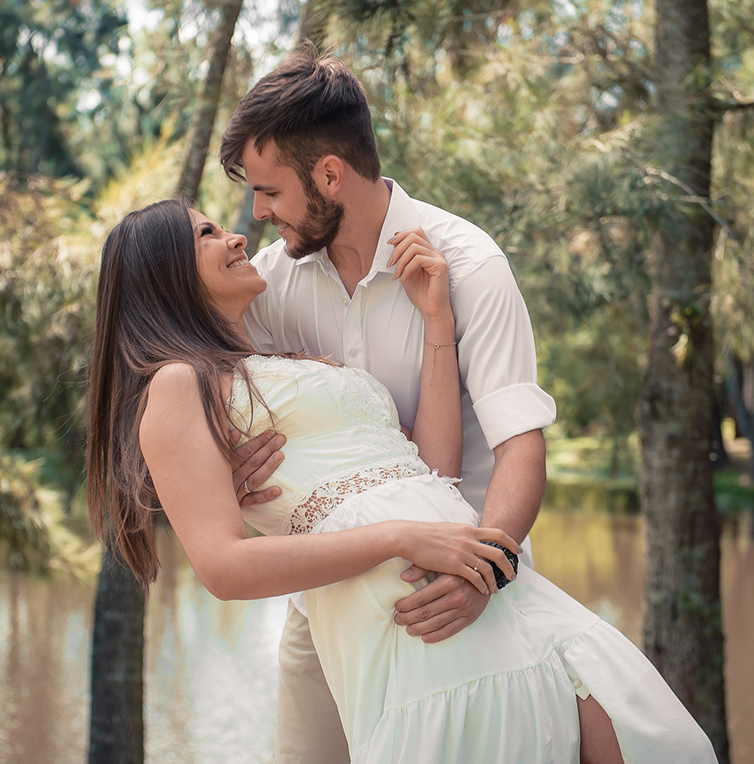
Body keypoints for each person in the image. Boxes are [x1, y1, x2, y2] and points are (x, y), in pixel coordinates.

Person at [85, 198, 719, 764]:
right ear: (164, 273)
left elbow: (431, 468)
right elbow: (222, 568)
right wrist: (400, 538)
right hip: (407, 615)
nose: (237, 236)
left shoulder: (278, 360)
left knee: (657, 741)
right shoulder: (175, 386)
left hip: (486, 582)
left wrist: (436, 323)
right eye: (206, 233)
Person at [216, 45, 582, 764]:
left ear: (329, 175)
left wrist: (486, 571)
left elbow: (521, 446)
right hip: (321, 600)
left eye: (270, 191)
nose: (258, 215)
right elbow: (208, 392)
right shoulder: (270, 282)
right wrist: (226, 466)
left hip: (455, 593)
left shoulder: (469, 264)